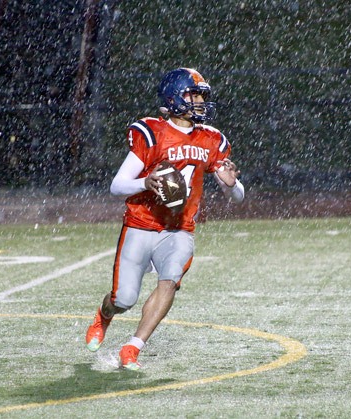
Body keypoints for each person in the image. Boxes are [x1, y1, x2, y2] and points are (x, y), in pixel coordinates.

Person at [85, 68, 245, 370]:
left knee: (169, 281)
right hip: (140, 223)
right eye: (193, 94)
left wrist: (232, 183)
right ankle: (104, 314)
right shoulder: (152, 132)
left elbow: (237, 197)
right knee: (124, 299)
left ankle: (132, 348)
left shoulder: (212, 139)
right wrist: (146, 183)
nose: (199, 101)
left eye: (201, 96)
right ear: (174, 97)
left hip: (179, 228)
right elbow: (117, 185)